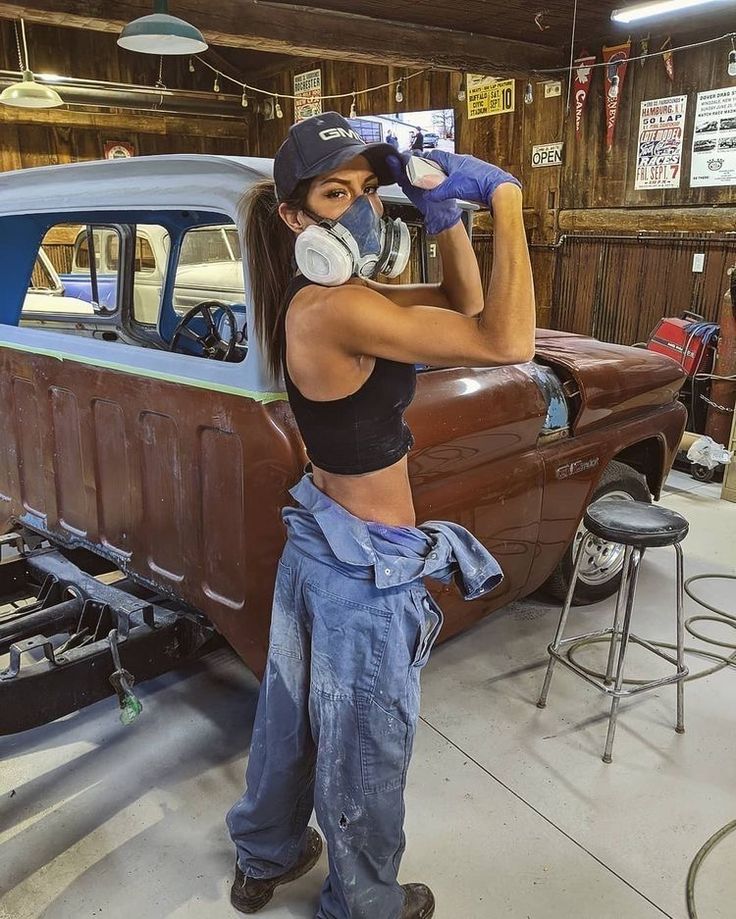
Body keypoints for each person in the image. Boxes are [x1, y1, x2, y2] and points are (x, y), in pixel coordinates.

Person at [225, 112, 535, 919]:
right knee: (365, 750)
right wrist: (505, 202)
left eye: (368, 189)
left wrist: (443, 220)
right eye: (337, 193)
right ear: (295, 217)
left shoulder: (331, 293)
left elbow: (462, 301)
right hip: (365, 566)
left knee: (288, 720)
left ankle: (268, 851)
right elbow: (506, 340)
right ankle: (364, 903)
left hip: (319, 540)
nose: (361, 208)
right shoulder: (334, 310)